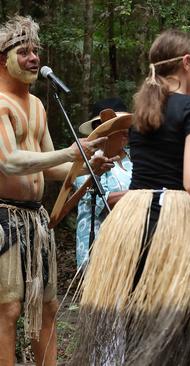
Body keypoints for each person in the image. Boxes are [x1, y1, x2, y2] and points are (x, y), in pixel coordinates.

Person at [70, 29, 190, 365]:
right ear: (189, 63)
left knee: (139, 320)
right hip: (173, 225)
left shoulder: (144, 109)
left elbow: (159, 174)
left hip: (133, 221)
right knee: (175, 327)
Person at [0, 15, 112, 366]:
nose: (34, 58)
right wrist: (70, 152)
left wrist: (87, 166)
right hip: (4, 217)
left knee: (47, 307)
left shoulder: (37, 106)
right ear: (2, 58)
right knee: (9, 308)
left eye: (36, 51)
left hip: (35, 219)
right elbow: (9, 161)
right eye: (24, 52)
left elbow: (51, 168)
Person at [73, 98, 132, 269]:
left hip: (131, 242)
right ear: (102, 131)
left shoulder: (134, 158)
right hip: (99, 245)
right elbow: (101, 200)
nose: (125, 133)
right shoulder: (87, 161)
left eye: (125, 127)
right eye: (118, 128)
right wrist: (142, 194)